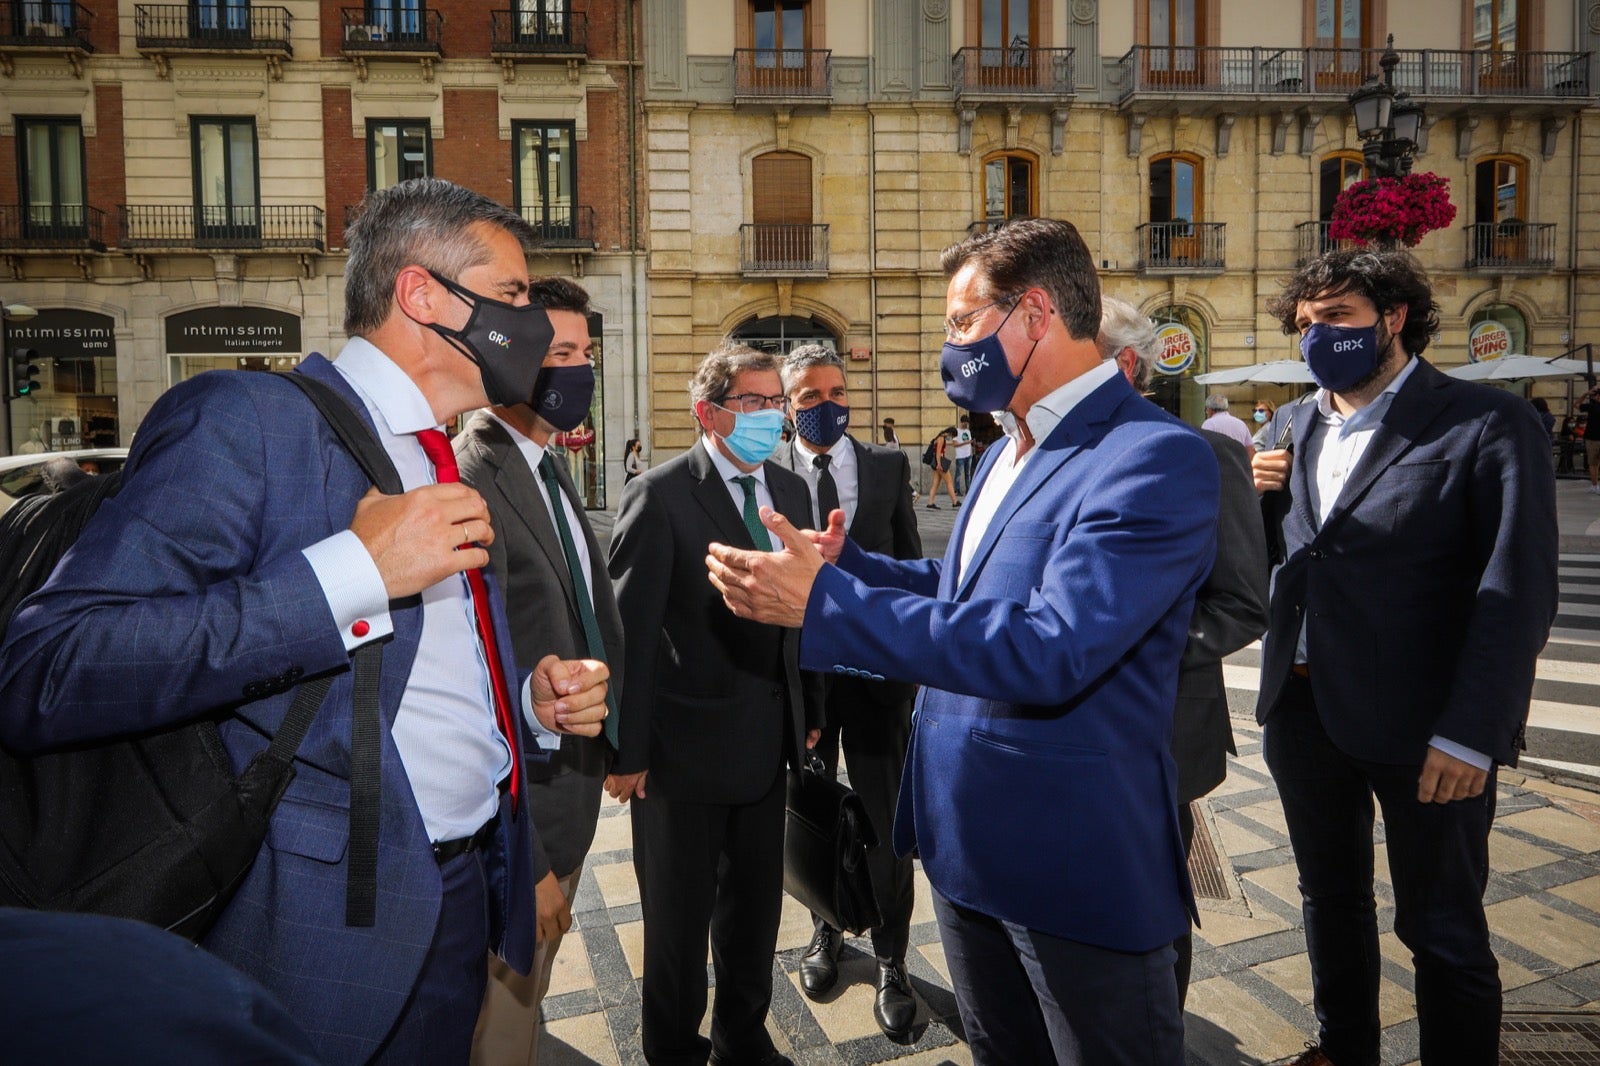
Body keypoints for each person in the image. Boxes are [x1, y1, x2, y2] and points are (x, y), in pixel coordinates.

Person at [0, 177, 612, 1066]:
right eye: (512, 296)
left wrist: (527, 702)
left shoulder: (449, 455)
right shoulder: (249, 421)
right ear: (423, 295)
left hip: (463, 895)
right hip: (324, 938)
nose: (530, 326)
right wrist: (352, 572)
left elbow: (416, 682)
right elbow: (49, 667)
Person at [706, 217, 1219, 1065]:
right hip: (962, 843)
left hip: (1069, 864)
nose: (950, 344)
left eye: (960, 322)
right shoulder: (1003, 450)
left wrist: (827, 606)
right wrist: (853, 568)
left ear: (1034, 316)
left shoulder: (1153, 456)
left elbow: (1051, 644)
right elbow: (963, 593)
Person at [1251, 249, 1558, 1066]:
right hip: (1307, 708)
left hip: (1430, 728)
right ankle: (1342, 1047)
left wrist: (1474, 734)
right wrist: (1250, 503)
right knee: (1329, 900)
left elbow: (1516, 589)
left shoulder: (1486, 422)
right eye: (1307, 323)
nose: (1319, 337)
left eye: (1339, 318)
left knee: (1442, 926)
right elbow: (1278, 567)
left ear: (1394, 317)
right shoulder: (1286, 425)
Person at [607, 343, 823, 1066]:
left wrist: (810, 707)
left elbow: (803, 612)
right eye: (755, 403)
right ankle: (671, 1050)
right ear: (710, 412)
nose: (772, 416)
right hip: (680, 759)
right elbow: (629, 635)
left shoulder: (791, 492)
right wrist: (626, 752)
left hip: (767, 748)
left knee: (755, 918)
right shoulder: (660, 494)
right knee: (676, 928)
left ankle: (742, 1039)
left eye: (776, 403)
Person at [454, 276, 624, 1066]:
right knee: (498, 1033)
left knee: (525, 1012)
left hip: (570, 802)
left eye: (586, 352)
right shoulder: (470, 475)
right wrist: (529, 865)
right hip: (521, 837)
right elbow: (467, 687)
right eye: (560, 354)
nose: (579, 370)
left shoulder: (547, 468)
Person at [1100, 297, 1270, 1007]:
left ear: (1125, 366)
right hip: (1059, 738)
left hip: (1159, 728)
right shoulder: (1033, 454)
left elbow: (1241, 603)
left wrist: (1138, 652)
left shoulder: (1205, 454)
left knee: (1152, 911)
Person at [771, 344, 923, 1042]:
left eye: (836, 391)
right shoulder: (767, 479)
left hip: (878, 683)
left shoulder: (889, 467)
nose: (826, 405)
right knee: (814, 816)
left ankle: (892, 957)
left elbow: (909, 567)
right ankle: (827, 929)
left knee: (890, 823)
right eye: (809, 395)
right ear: (786, 404)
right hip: (805, 686)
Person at [926, 427, 958, 509]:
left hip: (936, 463)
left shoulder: (939, 437)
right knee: (949, 481)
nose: (951, 438)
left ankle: (930, 503)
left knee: (936, 483)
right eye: (952, 436)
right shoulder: (941, 439)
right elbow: (938, 452)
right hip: (939, 463)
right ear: (950, 433)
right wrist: (939, 464)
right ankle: (955, 502)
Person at [1582, 383, 1600, 493]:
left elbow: (1576, 404)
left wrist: (1585, 394)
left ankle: (1595, 486)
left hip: (1592, 439)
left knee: (1593, 464)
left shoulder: (1591, 407)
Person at [951, 415, 975, 496]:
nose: (966, 425)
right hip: (960, 456)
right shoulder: (956, 432)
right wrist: (966, 442)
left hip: (968, 455)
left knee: (968, 474)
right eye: (965, 423)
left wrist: (971, 451)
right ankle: (957, 490)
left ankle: (968, 490)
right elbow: (954, 444)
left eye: (967, 423)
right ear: (961, 422)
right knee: (959, 474)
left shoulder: (968, 431)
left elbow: (969, 443)